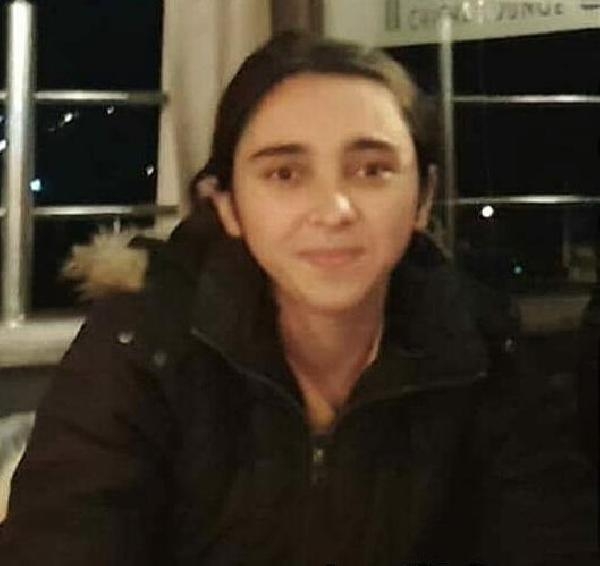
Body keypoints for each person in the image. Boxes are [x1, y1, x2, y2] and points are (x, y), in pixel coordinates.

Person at [0, 31, 597, 565]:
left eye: (371, 170)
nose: (334, 210)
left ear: (422, 198)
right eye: (285, 174)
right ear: (227, 206)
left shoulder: (485, 349)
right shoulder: (140, 349)